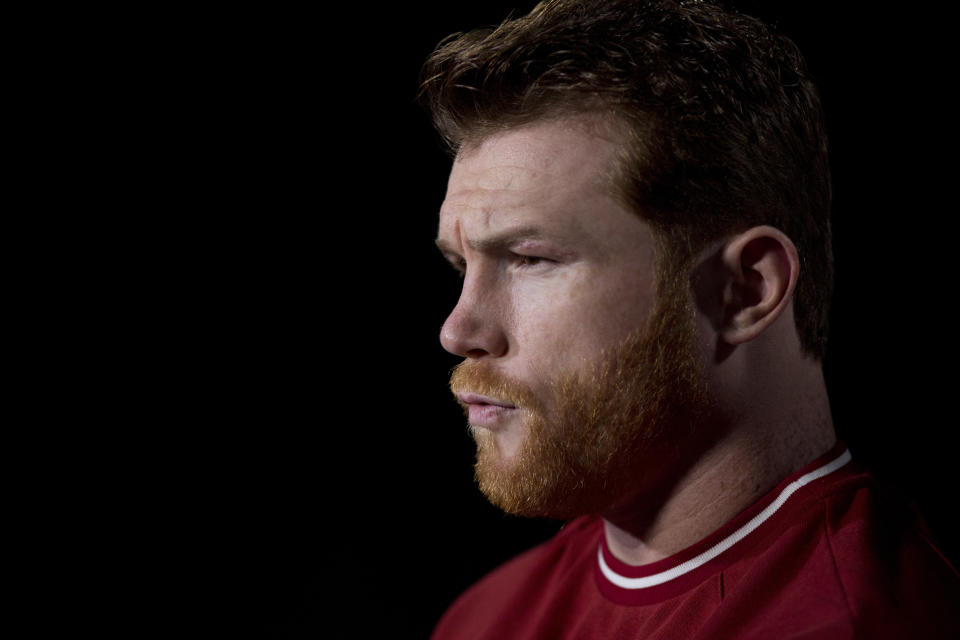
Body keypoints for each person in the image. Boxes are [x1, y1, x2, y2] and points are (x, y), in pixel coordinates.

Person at [421, 0, 959, 638]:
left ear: (743, 290)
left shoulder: (851, 621)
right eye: (461, 266)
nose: (458, 331)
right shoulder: (486, 619)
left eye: (531, 259)